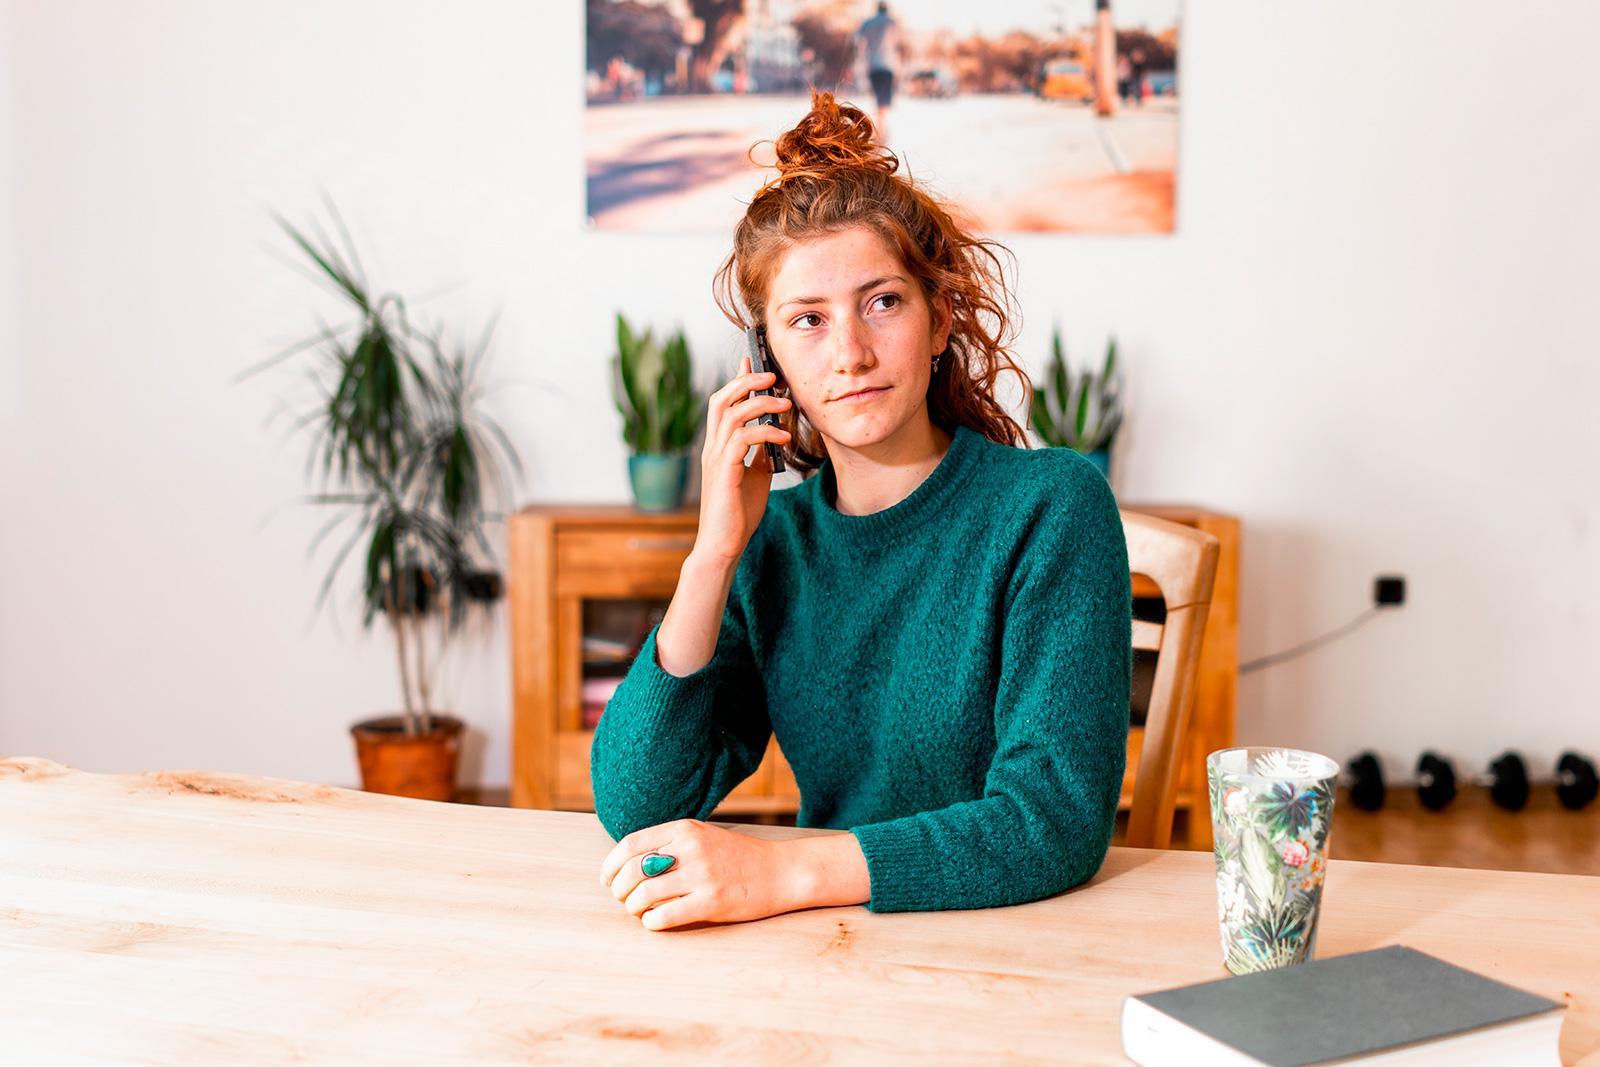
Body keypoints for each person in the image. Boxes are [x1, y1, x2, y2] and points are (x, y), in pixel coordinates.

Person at [593, 91, 1132, 931]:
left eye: (882, 301)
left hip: (1021, 942)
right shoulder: (774, 548)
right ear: (765, 364)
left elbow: (1053, 821)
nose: (850, 352)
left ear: (939, 315)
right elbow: (638, 802)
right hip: (837, 946)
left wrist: (780, 867)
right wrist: (711, 554)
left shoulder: (1052, 506)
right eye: (807, 320)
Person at [850, 2, 906, 144]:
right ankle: (882, 128)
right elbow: (899, 44)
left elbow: (857, 40)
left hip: (873, 64)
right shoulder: (892, 23)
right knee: (884, 99)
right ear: (887, 10)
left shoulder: (868, 23)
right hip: (888, 65)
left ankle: (879, 128)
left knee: (877, 98)